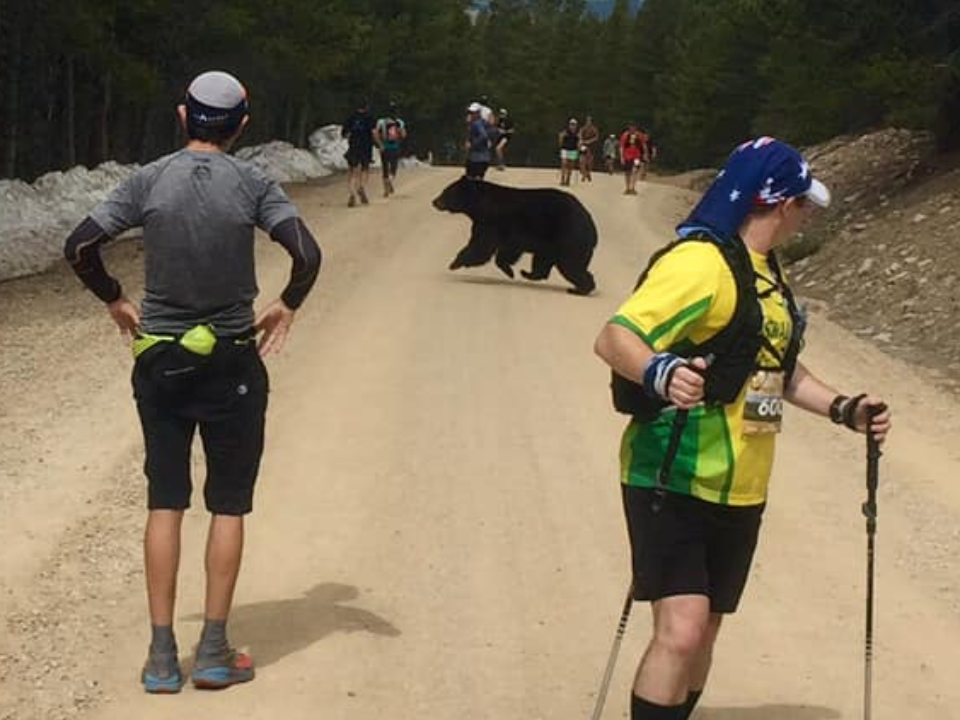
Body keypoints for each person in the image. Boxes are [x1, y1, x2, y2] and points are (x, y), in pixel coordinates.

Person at [593, 137, 891, 720]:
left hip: (742, 483)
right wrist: (660, 371)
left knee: (704, 634)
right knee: (679, 632)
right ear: (781, 204)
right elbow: (614, 337)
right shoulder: (699, 263)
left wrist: (843, 409)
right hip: (671, 471)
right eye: (806, 205)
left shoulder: (767, 276)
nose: (806, 218)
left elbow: (773, 366)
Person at [62, 70, 322, 694]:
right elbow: (308, 255)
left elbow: (79, 246)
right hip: (232, 360)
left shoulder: (148, 179)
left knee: (165, 499)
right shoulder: (256, 183)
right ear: (241, 125)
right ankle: (211, 650)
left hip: (161, 361)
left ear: (184, 117)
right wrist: (286, 303)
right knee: (227, 503)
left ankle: (159, 657)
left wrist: (115, 299)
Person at [342, 98, 376, 207]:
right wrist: (379, 143)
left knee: (352, 171)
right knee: (365, 169)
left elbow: (344, 133)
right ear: (366, 107)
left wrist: (352, 136)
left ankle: (352, 194)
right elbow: (373, 132)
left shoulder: (351, 117)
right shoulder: (369, 117)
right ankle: (361, 187)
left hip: (354, 147)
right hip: (366, 147)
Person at [375, 101, 407, 197]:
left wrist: (380, 144)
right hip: (395, 147)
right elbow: (404, 135)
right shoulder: (399, 122)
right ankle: (390, 180)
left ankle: (386, 190)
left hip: (384, 148)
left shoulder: (380, 122)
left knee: (385, 168)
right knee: (393, 169)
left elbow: (376, 133)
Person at [464, 102, 492, 179]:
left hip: (476, 159)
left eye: (473, 113)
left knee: (470, 182)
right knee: (478, 182)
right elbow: (490, 132)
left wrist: (472, 144)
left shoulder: (476, 123)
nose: (471, 114)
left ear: (478, 113)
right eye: (470, 112)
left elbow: (483, 136)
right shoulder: (484, 122)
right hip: (485, 158)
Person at [620, 122, 648, 195]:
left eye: (634, 127)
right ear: (629, 127)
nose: (632, 128)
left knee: (635, 171)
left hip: (637, 156)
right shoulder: (625, 135)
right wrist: (621, 157)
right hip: (627, 156)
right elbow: (621, 147)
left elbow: (643, 145)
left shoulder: (639, 135)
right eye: (631, 127)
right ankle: (627, 188)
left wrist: (645, 154)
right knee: (627, 172)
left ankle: (633, 187)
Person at [558, 118, 580, 187]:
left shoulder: (577, 134)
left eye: (574, 124)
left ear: (576, 125)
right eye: (571, 124)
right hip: (565, 149)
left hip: (573, 150)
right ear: (569, 125)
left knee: (570, 166)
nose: (572, 126)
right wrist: (561, 139)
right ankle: (562, 179)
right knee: (564, 163)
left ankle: (568, 179)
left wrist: (579, 147)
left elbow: (579, 143)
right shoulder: (565, 132)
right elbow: (560, 141)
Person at [579, 115, 600, 182]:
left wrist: (590, 141)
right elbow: (579, 135)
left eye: (590, 121)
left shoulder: (594, 129)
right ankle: (584, 175)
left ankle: (588, 173)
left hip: (591, 146)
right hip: (584, 145)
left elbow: (596, 137)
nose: (588, 122)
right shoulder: (583, 128)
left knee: (589, 162)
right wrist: (581, 141)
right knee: (582, 161)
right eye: (587, 120)